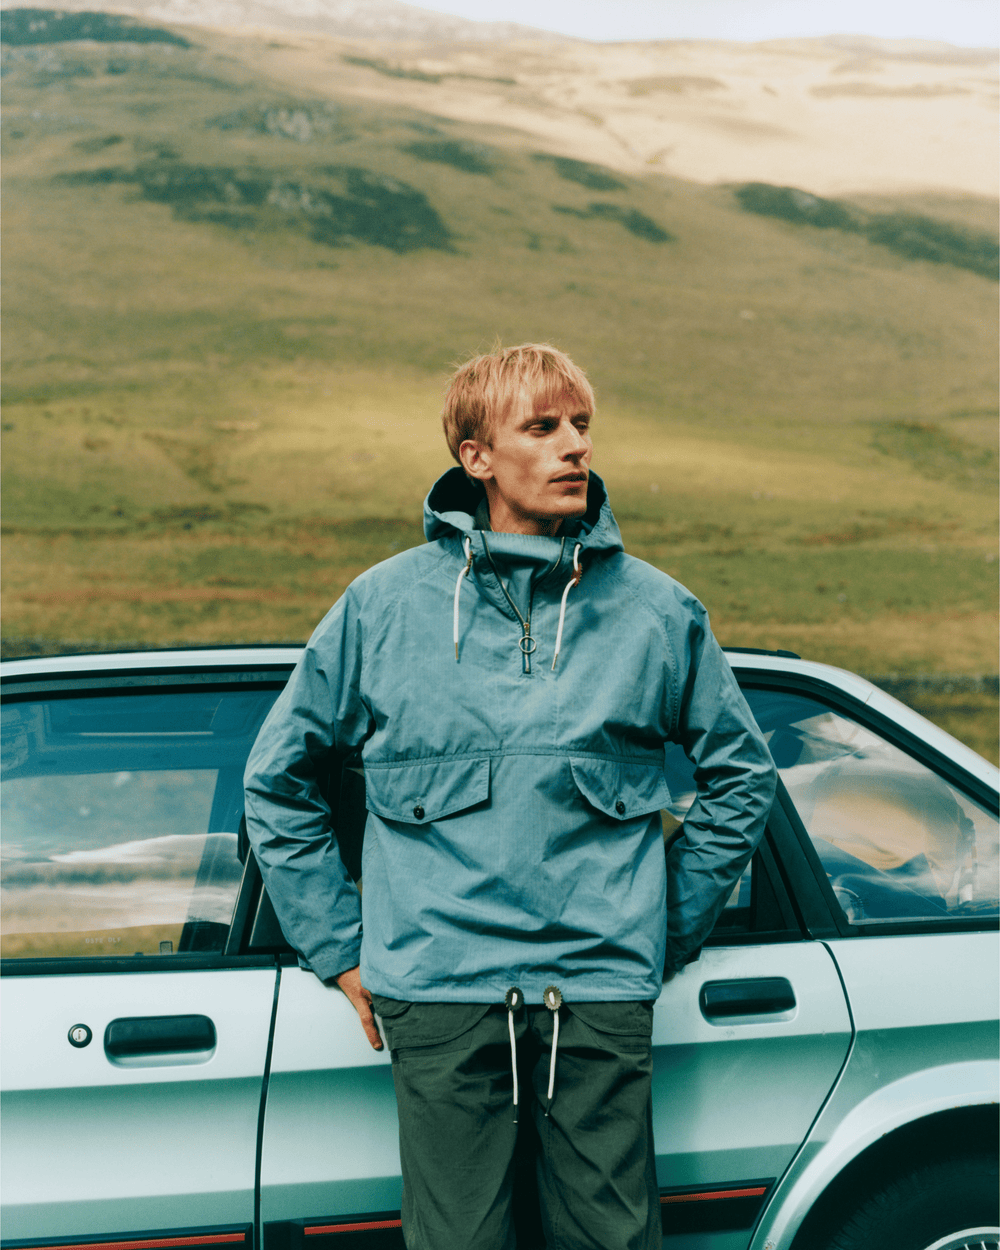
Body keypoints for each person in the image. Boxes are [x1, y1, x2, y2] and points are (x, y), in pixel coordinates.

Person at [244, 343, 777, 1250]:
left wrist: (665, 923)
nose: (576, 446)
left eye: (582, 425)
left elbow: (743, 775)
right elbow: (276, 780)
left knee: (612, 1241)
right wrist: (337, 946)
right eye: (543, 427)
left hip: (597, 991)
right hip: (438, 992)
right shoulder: (381, 608)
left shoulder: (658, 613)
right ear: (477, 456)